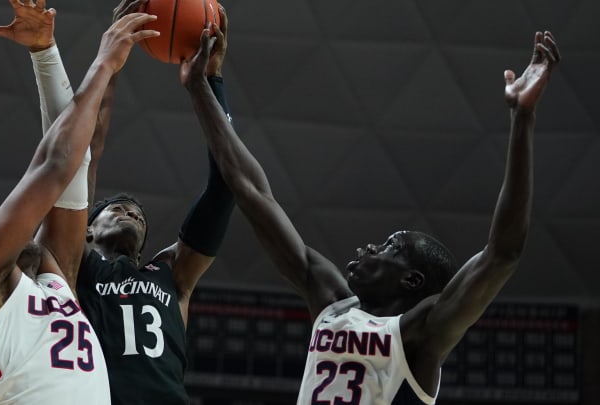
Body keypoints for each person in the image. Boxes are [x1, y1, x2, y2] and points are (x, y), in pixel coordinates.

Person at [182, 27, 560, 404]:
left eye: (389, 246)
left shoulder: (421, 333)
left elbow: (502, 254)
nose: (369, 247)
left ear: (411, 280)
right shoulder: (332, 300)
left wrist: (522, 118)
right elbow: (251, 191)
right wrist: (202, 86)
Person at [0, 0, 236, 403]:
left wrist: (210, 83)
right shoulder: (71, 265)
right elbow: (83, 156)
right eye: (114, 208)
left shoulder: (172, 275)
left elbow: (227, 184)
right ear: (87, 228)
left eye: (137, 214)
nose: (131, 212)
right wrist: (113, 64)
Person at [0, 2, 160, 403]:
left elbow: (72, 170)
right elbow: (55, 165)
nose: (1, 222)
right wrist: (103, 66)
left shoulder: (52, 281)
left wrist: (46, 53)